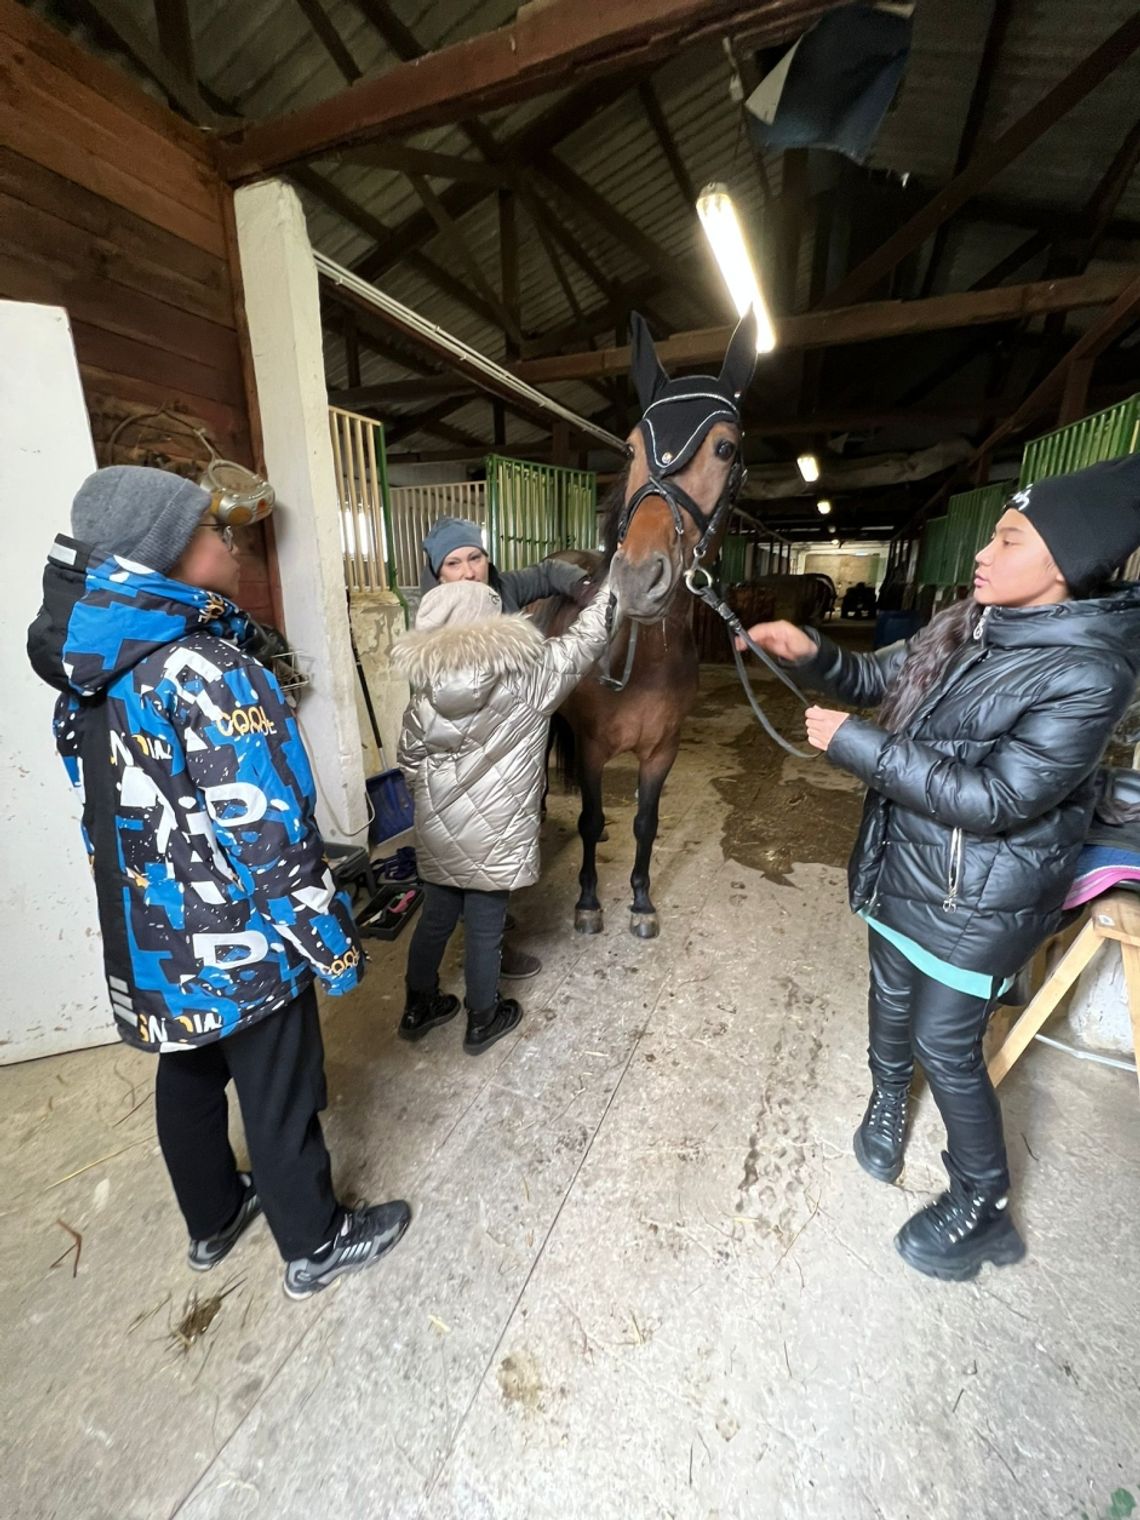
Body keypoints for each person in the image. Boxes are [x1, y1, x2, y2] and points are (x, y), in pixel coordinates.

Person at [740, 455, 1140, 1282]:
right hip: (905, 864)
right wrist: (811, 650)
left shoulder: (1087, 673)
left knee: (946, 1044)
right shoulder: (968, 624)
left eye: (1008, 539)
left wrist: (854, 745)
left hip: (982, 895)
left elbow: (998, 798)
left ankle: (983, 1205)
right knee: (888, 998)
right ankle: (887, 1104)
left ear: (1063, 569)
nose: (983, 556)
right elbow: (874, 677)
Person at [27, 465, 410, 1301]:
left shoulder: (88, 676)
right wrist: (330, 943)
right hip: (241, 942)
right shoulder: (206, 669)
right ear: (165, 556)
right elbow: (269, 835)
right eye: (212, 531)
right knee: (275, 1093)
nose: (232, 544)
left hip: (151, 943)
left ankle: (212, 1222)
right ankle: (314, 1243)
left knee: (188, 1073)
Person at [392, 575, 614, 1053]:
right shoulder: (531, 677)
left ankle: (419, 1005)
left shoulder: (424, 694)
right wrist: (615, 581)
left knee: (435, 919)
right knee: (486, 927)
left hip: (436, 829)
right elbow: (588, 637)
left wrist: (433, 805)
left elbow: (409, 760)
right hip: (495, 836)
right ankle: (482, 1018)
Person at [418, 515, 594, 981]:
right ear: (438, 574)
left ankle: (420, 1000)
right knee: (485, 894)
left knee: (447, 889)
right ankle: (486, 996)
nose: (468, 571)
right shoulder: (437, 622)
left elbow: (549, 572)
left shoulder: (506, 588)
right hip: (483, 763)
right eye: (454, 564)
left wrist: (583, 583)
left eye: (475, 557)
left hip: (466, 779)